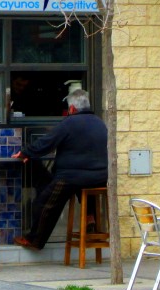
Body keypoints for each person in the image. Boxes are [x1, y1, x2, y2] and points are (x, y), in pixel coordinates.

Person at [11, 88, 108, 250]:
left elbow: (47, 143)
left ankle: (34, 240)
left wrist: (25, 152)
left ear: (71, 109)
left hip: (72, 176)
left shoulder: (69, 123)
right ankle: (90, 217)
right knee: (83, 187)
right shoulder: (100, 123)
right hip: (100, 177)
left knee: (45, 202)